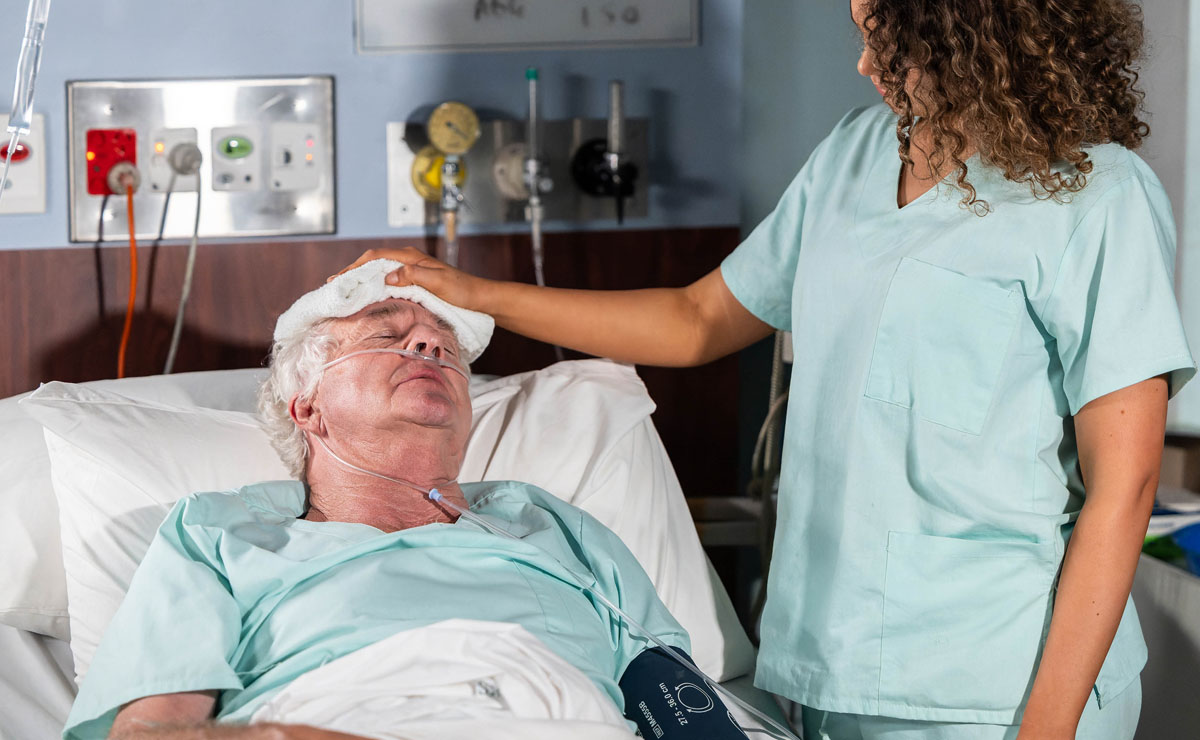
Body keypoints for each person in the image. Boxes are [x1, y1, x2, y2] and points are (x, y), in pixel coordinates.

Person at [332, 1, 1196, 737]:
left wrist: (1046, 729)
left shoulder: (1094, 196)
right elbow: (698, 319)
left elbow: (1124, 489)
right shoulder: (855, 154)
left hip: (1000, 685)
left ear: (975, 32)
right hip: (824, 669)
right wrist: (475, 293)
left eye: (889, 40)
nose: (864, 65)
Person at [62, 262, 748, 740]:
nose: (430, 345)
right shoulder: (220, 534)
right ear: (308, 406)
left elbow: (676, 704)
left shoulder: (546, 522)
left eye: (446, 348)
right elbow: (151, 733)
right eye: (387, 336)